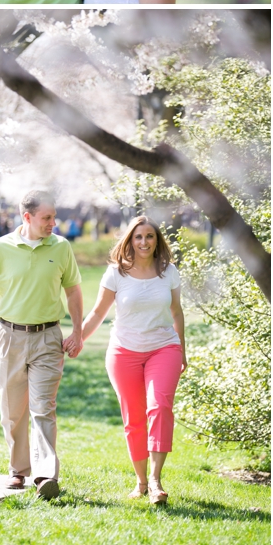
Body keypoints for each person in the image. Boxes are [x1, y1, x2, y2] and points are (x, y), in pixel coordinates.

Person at [0, 190, 84, 500]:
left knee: (43, 408)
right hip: (9, 336)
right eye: (46, 218)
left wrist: (76, 331)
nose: (53, 223)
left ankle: (45, 475)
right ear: (28, 217)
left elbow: (74, 291)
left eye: (53, 217)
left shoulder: (61, 247)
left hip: (49, 336)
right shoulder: (1, 248)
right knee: (12, 411)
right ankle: (18, 469)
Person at [79, 216, 186, 504]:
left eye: (149, 236)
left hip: (164, 348)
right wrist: (77, 338)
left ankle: (155, 479)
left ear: (157, 240)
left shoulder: (169, 272)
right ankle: (140, 481)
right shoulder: (116, 273)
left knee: (160, 406)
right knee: (134, 419)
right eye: (138, 237)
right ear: (129, 240)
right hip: (124, 351)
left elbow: (176, 312)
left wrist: (182, 349)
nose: (144, 242)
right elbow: (98, 313)